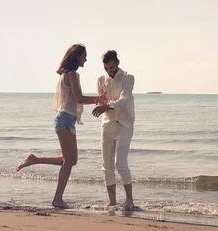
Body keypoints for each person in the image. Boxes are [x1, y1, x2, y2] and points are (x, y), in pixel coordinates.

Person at [16, 43, 105, 209]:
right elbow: (79, 99)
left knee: (71, 160)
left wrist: (97, 99)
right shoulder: (72, 75)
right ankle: (57, 199)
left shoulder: (67, 75)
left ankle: (34, 159)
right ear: (77, 56)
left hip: (66, 121)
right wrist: (98, 99)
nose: (86, 58)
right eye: (84, 55)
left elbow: (75, 99)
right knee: (69, 161)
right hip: (64, 120)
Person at [92, 50, 136, 210]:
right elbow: (100, 101)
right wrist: (101, 102)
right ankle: (112, 201)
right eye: (106, 68)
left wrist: (107, 105)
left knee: (121, 164)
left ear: (117, 62)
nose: (109, 71)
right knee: (107, 165)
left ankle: (129, 200)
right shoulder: (100, 80)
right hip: (107, 124)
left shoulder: (127, 77)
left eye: (111, 67)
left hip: (125, 125)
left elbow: (124, 99)